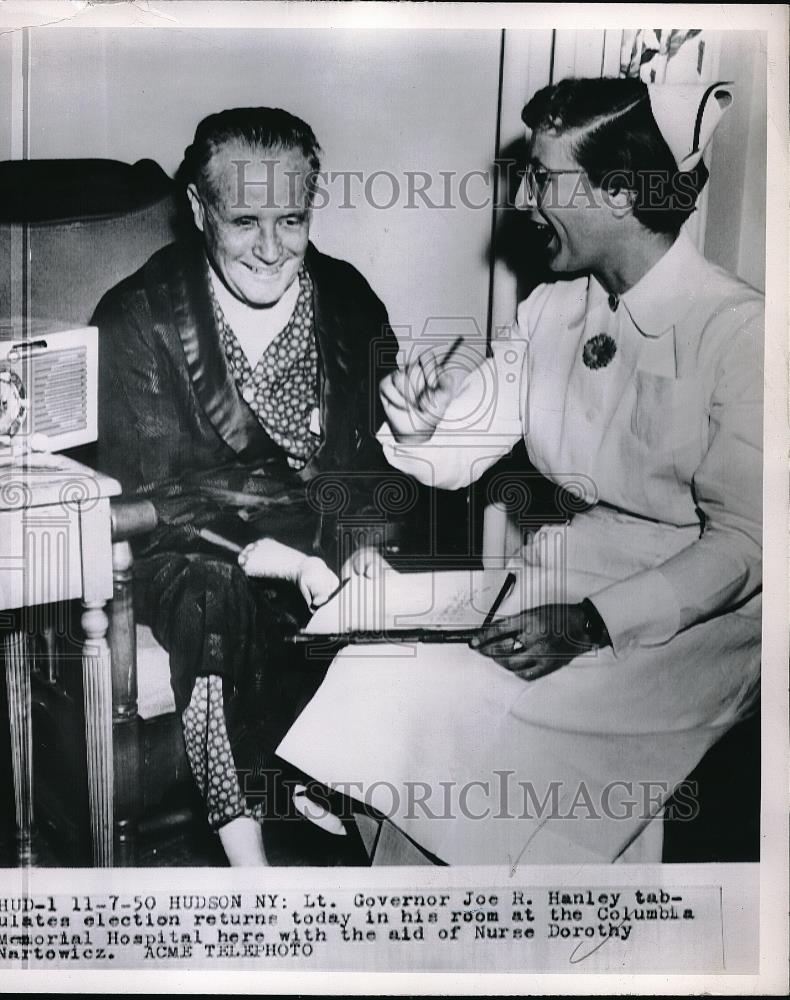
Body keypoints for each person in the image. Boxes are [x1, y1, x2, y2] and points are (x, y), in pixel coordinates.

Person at [277, 78, 763, 864]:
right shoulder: (553, 310)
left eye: (543, 178)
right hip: (565, 577)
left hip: (694, 619)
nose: (526, 201)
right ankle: (423, 941)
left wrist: (590, 624)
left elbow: (745, 545)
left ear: (617, 192)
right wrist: (421, 416)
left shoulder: (738, 331)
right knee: (380, 677)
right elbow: (458, 454)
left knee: (482, 731)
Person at [93, 108, 403, 865]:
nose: (272, 249)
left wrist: (360, 542)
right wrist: (281, 558)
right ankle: (251, 874)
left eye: (292, 218)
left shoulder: (350, 300)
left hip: (324, 543)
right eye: (245, 221)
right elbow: (154, 506)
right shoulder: (139, 319)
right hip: (190, 557)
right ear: (199, 211)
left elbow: (376, 469)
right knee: (211, 600)